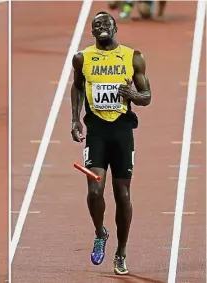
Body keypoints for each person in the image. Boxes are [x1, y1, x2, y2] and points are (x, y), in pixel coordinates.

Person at [70, 11, 151, 276]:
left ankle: (121, 252)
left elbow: (147, 96)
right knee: (95, 191)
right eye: (96, 25)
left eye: (106, 23)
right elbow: (78, 86)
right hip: (96, 130)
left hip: (122, 131)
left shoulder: (133, 57)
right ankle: (100, 232)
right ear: (92, 32)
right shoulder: (83, 58)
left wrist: (133, 94)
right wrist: (75, 119)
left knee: (122, 195)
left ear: (116, 27)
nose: (102, 26)